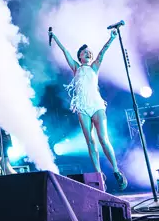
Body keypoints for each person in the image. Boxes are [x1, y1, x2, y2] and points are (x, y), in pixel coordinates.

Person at [51, 29, 128, 190]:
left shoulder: (94, 67)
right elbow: (65, 50)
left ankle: (116, 170)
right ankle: (99, 175)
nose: (88, 54)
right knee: (90, 142)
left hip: (96, 105)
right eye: (85, 52)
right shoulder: (76, 68)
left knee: (103, 138)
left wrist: (112, 38)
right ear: (80, 56)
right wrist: (54, 36)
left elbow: (102, 53)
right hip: (82, 106)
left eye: (89, 53)